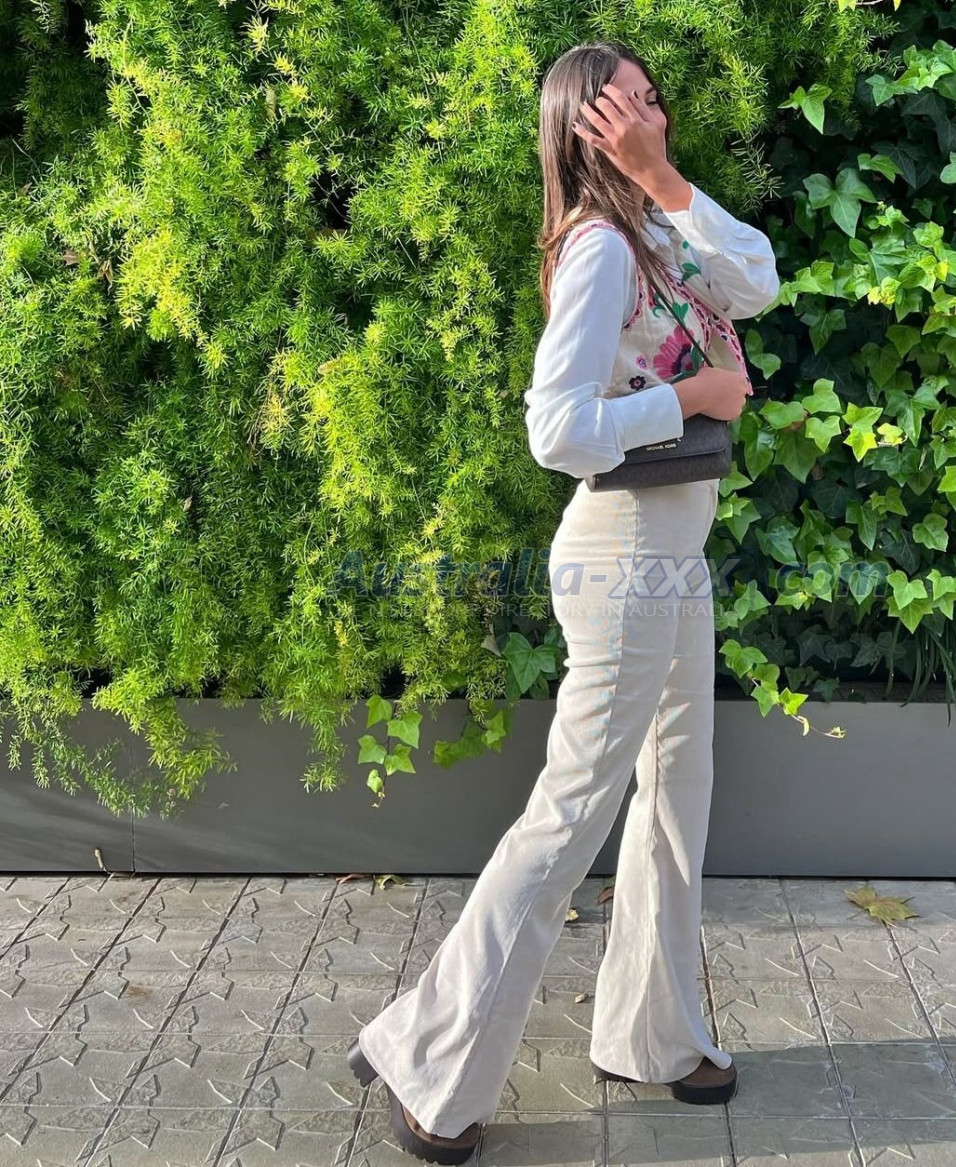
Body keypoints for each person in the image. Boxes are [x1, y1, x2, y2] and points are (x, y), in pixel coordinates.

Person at [347, 40, 780, 1165]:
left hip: (674, 551)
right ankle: (433, 1063)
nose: (649, 113)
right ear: (583, 129)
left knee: (678, 791)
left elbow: (758, 282)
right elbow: (558, 429)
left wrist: (665, 179)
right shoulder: (598, 248)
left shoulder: (662, 232)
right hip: (625, 554)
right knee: (574, 809)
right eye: (623, 105)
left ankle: (653, 1031)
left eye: (651, 99)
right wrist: (689, 396)